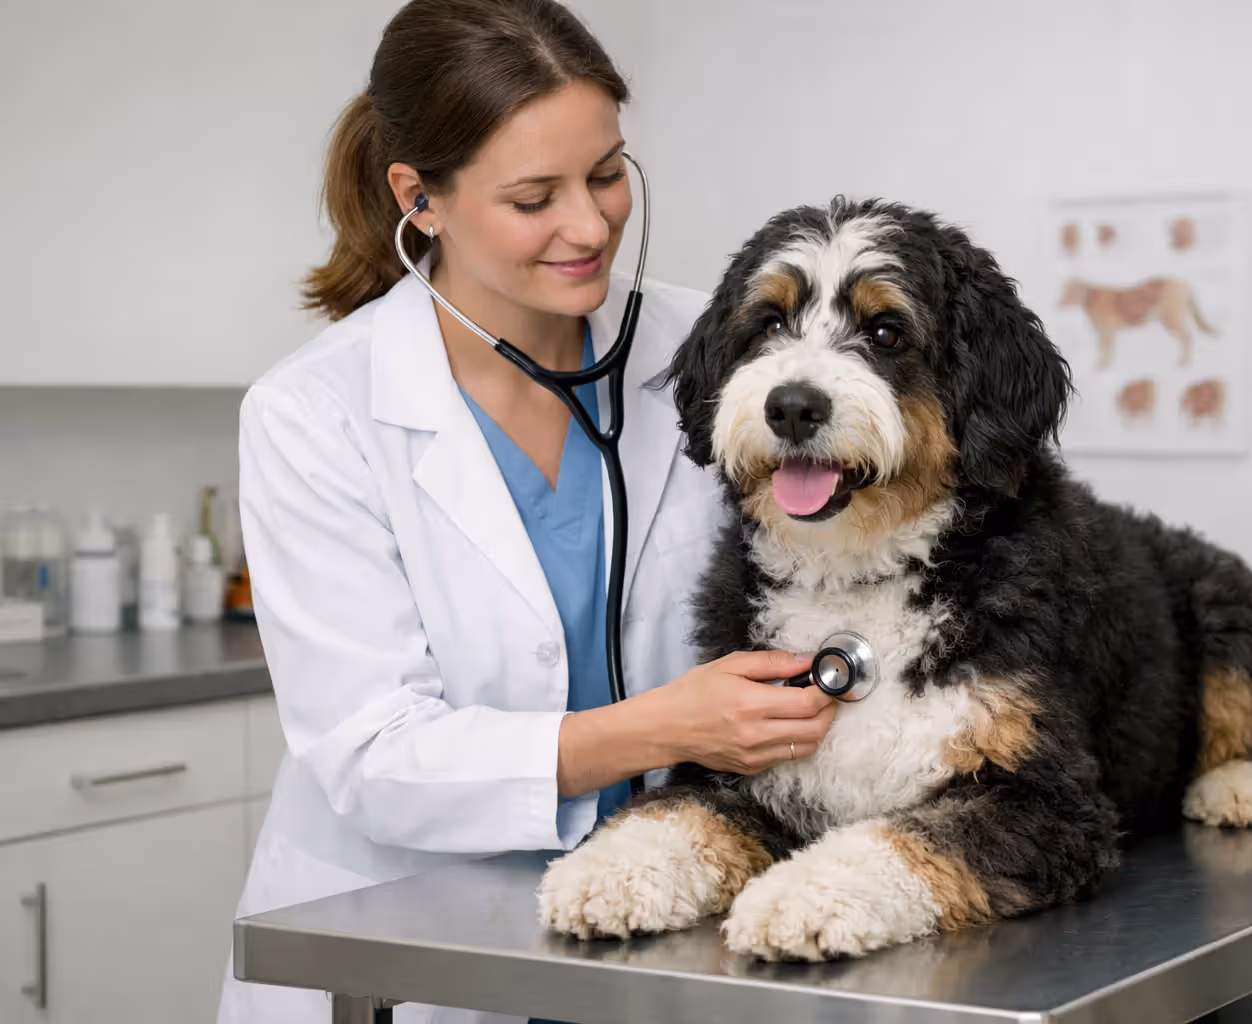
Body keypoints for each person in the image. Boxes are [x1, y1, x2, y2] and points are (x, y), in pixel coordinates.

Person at [215, 2, 835, 1020]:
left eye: (606, 174)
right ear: (420, 197)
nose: (590, 227)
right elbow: (374, 755)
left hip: (671, 914)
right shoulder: (317, 410)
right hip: (417, 942)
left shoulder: (713, 347)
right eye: (534, 196)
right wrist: (657, 729)